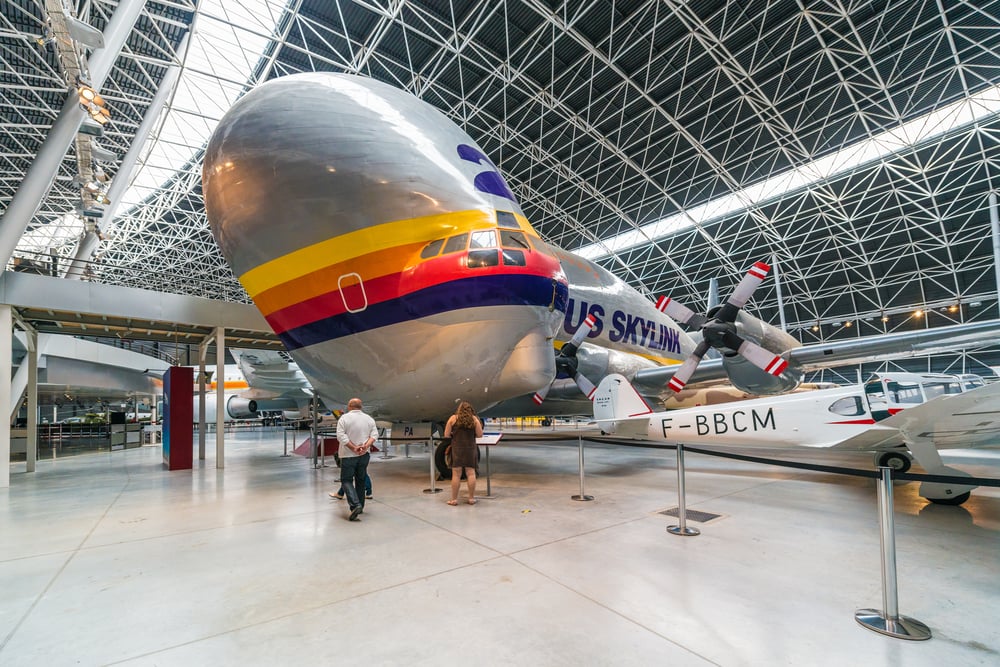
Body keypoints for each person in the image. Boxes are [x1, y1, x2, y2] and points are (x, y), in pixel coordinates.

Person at [334, 397, 378, 521]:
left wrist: (353, 448)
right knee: (361, 479)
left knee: (346, 480)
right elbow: (374, 435)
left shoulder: (344, 418)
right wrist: (365, 446)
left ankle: (355, 505)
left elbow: (341, 436)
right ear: (361, 406)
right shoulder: (369, 419)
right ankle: (361, 506)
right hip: (364, 455)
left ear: (349, 407)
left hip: (348, 455)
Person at [444, 400, 483, 505]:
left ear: (459, 409)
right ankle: (471, 498)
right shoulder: (474, 419)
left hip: (457, 448)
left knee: (456, 474)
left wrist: (453, 434)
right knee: (471, 473)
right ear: (470, 410)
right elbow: (480, 434)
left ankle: (454, 499)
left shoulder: (453, 418)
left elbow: (446, 434)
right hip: (470, 448)